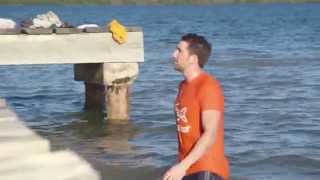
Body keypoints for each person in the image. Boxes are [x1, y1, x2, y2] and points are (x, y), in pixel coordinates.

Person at [163, 33, 229, 180]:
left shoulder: (208, 86)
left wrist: (182, 166)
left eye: (179, 50)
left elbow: (210, 134)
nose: (174, 54)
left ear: (193, 59)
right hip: (189, 168)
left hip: (207, 169)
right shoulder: (183, 86)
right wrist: (181, 166)